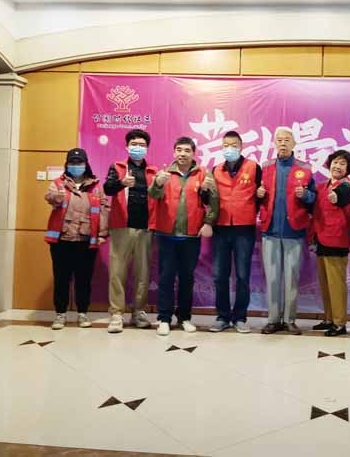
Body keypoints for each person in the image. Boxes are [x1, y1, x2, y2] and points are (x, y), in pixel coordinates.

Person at [149, 136, 219, 336]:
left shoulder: (203, 174)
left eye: (187, 150)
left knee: (187, 279)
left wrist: (208, 222)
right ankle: (164, 318)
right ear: (174, 152)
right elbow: (153, 195)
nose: (182, 154)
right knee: (166, 278)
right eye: (179, 150)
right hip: (166, 235)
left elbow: (214, 200)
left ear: (193, 153)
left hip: (191, 236)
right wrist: (157, 184)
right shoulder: (164, 173)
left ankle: (184, 317)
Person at [257, 127, 316, 335]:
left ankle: (290, 320)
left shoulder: (304, 168)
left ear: (294, 144)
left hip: (294, 230)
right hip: (270, 230)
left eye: (287, 140)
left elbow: (314, 199)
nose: (283, 143)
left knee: (292, 278)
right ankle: (273, 320)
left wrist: (306, 195)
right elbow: (256, 196)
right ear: (274, 143)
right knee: (272, 278)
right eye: (279, 140)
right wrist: (258, 193)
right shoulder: (265, 167)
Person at [44, 148, 109, 330]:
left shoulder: (96, 186)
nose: (76, 166)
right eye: (72, 162)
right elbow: (50, 198)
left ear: (86, 164)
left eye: (79, 163)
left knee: (84, 279)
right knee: (61, 278)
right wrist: (57, 195)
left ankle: (82, 313)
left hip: (86, 240)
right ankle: (60, 314)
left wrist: (102, 234)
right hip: (62, 241)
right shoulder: (58, 183)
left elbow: (104, 210)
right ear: (67, 164)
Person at [103, 129, 157, 333]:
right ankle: (116, 313)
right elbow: (107, 188)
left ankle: (138, 312)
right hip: (121, 227)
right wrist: (121, 183)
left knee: (143, 273)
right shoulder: (117, 167)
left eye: (142, 145)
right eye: (134, 144)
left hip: (145, 228)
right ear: (127, 146)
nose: (138, 148)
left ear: (147, 148)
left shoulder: (153, 171)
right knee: (117, 271)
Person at [209, 130, 262, 334]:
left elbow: (262, 196)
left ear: (241, 147)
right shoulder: (216, 169)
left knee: (242, 275)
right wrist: (204, 191)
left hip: (244, 229)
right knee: (219, 275)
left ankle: (240, 317)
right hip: (221, 228)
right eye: (225, 145)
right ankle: (222, 316)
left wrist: (257, 200)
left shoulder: (254, 167)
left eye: (233, 145)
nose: (229, 149)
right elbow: (209, 199)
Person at [310, 150, 350, 337]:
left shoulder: (346, 184)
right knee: (325, 283)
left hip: (337, 240)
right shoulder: (322, 186)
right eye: (336, 162)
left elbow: (342, 195)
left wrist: (336, 197)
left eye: (343, 164)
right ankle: (328, 318)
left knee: (336, 284)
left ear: (348, 169)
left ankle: (339, 322)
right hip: (321, 238)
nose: (338, 166)